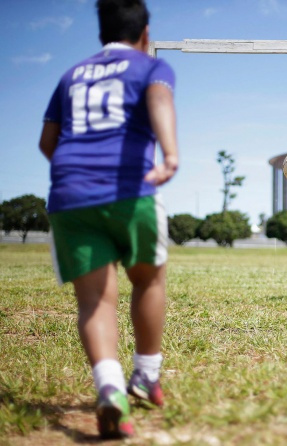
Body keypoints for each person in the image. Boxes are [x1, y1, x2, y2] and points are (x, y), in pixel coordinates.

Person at [38, 0, 177, 439]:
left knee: (95, 301)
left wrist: (78, 174)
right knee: (148, 279)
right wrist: (170, 153)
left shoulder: (71, 75)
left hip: (70, 193)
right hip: (130, 188)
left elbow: (48, 141)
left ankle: (110, 387)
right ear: (146, 33)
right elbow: (159, 98)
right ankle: (146, 375)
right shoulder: (150, 66)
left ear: (101, 32)